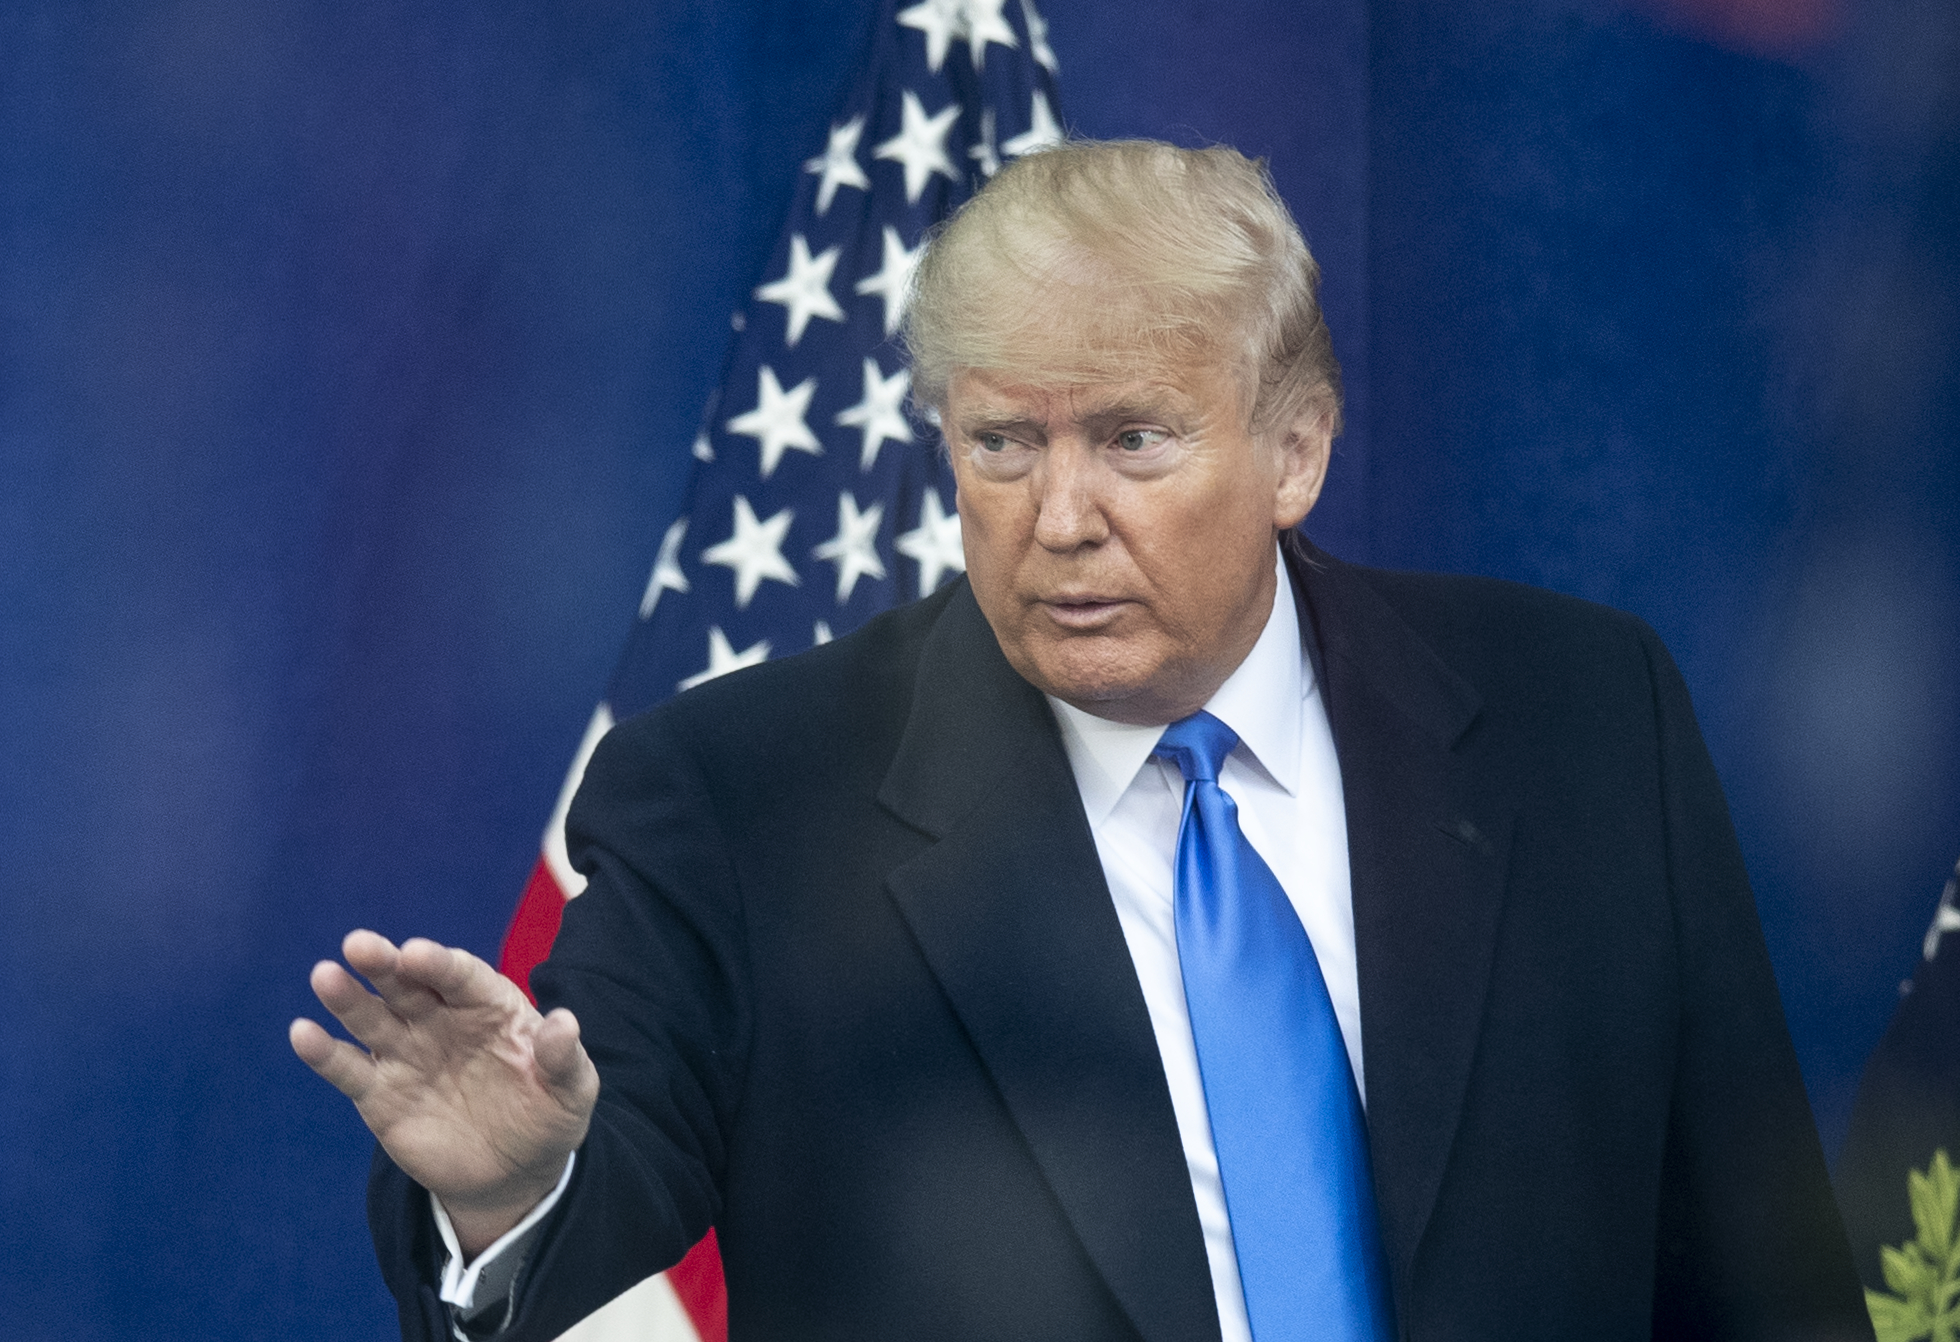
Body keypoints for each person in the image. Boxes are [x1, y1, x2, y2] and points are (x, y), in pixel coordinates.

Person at [294, 140, 1874, 1342]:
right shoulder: (742, 794)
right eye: (1002, 443)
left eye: (1131, 439)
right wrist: (508, 1181)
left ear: (1294, 448)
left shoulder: (1578, 714)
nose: (1059, 517)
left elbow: (1752, 1262)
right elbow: (595, 1165)